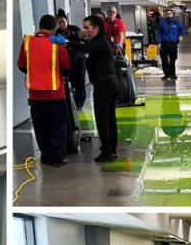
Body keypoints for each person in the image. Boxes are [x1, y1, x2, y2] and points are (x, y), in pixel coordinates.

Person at [16, 15, 73, 168]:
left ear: (39, 27)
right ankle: (57, 157)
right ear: (54, 29)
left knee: (41, 127)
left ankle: (46, 156)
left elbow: (21, 65)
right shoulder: (56, 43)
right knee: (58, 126)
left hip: (35, 94)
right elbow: (67, 66)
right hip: (55, 93)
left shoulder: (27, 42)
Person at [70, 16, 119, 162]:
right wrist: (80, 40)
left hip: (104, 84)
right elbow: (88, 45)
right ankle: (112, 149)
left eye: (87, 28)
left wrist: (67, 42)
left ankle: (107, 152)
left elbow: (86, 48)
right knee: (110, 117)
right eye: (83, 27)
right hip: (110, 83)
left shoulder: (100, 41)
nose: (85, 31)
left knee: (102, 118)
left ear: (96, 28)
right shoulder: (102, 40)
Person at [56, 15, 87, 110]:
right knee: (70, 82)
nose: (62, 24)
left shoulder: (75, 29)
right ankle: (71, 102)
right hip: (67, 61)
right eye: (59, 22)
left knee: (80, 82)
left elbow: (83, 42)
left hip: (79, 59)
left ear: (67, 21)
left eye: (63, 22)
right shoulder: (57, 33)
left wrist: (68, 42)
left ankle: (79, 103)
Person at [158, 9, 187, 80]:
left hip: (173, 43)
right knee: (164, 59)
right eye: (167, 14)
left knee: (173, 59)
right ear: (165, 15)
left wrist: (181, 36)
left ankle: (173, 74)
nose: (169, 15)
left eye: (170, 13)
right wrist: (159, 43)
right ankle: (166, 74)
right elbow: (159, 34)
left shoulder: (177, 22)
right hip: (164, 43)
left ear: (172, 14)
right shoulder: (162, 23)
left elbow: (183, 29)